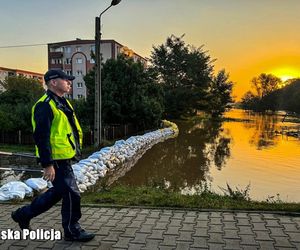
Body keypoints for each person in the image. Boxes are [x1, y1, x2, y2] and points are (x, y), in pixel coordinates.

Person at [11, 69, 95, 242]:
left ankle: (23, 214)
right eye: (66, 80)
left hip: (64, 157)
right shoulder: (45, 105)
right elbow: (41, 136)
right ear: (53, 82)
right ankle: (73, 231)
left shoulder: (63, 102)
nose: (69, 82)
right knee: (72, 194)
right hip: (55, 160)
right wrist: (47, 163)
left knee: (58, 193)